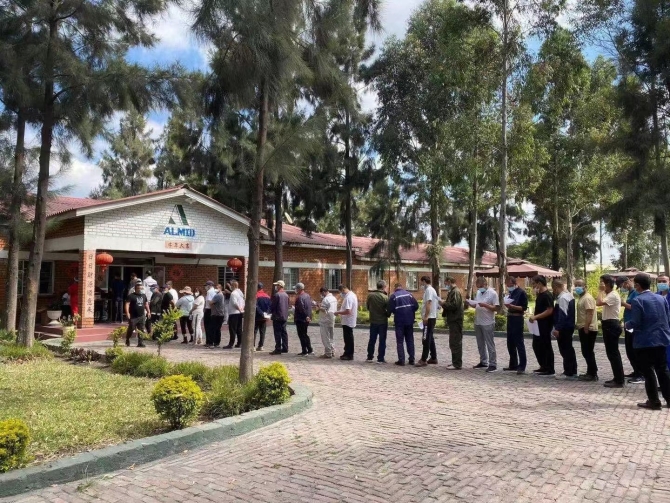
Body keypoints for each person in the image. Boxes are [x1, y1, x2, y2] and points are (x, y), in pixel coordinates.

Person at [624, 273, 670, 409]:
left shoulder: (638, 300)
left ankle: (654, 401)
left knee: (648, 372)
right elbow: (667, 318)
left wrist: (626, 325)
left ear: (638, 285)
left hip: (645, 341)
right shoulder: (661, 298)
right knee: (663, 370)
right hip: (661, 339)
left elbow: (636, 322)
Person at [596, 274, 624, 388]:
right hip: (608, 324)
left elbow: (598, 302)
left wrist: (600, 291)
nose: (600, 284)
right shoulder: (610, 295)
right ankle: (617, 377)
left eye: (601, 282)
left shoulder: (612, 295)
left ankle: (619, 380)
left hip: (611, 325)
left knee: (613, 353)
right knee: (611, 353)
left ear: (607, 283)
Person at [469, 277, 500, 372]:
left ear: (486, 284)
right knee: (480, 343)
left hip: (488, 322)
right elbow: (476, 304)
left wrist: (485, 305)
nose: (479, 288)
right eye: (478, 287)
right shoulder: (478, 292)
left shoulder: (493, 293)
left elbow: (496, 308)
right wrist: (470, 303)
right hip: (478, 321)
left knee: (489, 343)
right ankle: (483, 361)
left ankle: (493, 363)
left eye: (481, 286)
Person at [619, 277, 644, 384]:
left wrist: (623, 303)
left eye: (622, 285)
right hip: (628, 325)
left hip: (633, 326)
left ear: (627, 283)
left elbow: (634, 307)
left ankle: (641, 374)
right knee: (629, 350)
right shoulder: (631, 293)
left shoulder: (635, 293)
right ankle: (636, 370)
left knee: (634, 350)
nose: (622, 287)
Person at [529, 275, 555, 376]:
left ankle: (549, 368)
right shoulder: (540, 294)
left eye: (534, 284)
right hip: (538, 324)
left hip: (545, 324)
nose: (533, 286)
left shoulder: (547, 295)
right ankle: (543, 365)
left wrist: (536, 317)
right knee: (537, 345)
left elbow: (549, 310)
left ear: (539, 283)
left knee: (545, 345)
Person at [552, 279, 578, 380]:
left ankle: (569, 371)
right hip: (569, 326)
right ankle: (572, 370)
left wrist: (557, 328)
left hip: (564, 327)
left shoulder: (562, 298)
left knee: (565, 349)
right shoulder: (569, 295)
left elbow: (562, 314)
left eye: (554, 289)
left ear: (556, 288)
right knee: (569, 349)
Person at [574, 279, 599, 382]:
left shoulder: (587, 298)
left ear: (585, 286)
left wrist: (586, 326)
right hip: (583, 327)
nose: (577, 287)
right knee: (586, 351)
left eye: (579, 285)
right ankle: (590, 371)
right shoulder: (582, 297)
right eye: (576, 285)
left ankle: (593, 373)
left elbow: (590, 313)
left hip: (589, 328)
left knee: (588, 351)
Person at [388, 283, 419, 366]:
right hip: (409, 320)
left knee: (400, 341)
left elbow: (390, 309)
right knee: (410, 340)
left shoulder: (393, 296)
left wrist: (395, 312)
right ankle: (412, 359)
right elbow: (416, 306)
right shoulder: (409, 294)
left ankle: (401, 360)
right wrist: (410, 312)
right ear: (402, 287)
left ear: (395, 288)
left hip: (399, 321)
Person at [503, 276, 528, 374]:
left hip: (517, 318)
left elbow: (524, 307)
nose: (508, 286)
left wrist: (513, 306)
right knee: (510, 342)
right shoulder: (511, 293)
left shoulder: (521, 293)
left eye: (509, 285)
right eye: (507, 285)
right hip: (510, 317)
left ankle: (522, 366)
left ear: (514, 284)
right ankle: (513, 364)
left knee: (519, 342)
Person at [441, 276, 464, 370]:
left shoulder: (455, 292)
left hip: (456, 320)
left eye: (446, 283)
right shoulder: (452, 291)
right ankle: (455, 361)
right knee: (453, 342)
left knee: (455, 342)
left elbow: (454, 305)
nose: (445, 285)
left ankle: (457, 363)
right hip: (453, 320)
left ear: (450, 281)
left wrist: (443, 303)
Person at [416, 276, 440, 367]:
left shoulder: (429, 290)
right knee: (430, 337)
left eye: (421, 282)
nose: (421, 285)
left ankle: (423, 359)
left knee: (426, 338)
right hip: (431, 317)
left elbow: (429, 303)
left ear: (424, 281)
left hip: (429, 318)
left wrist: (426, 316)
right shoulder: (431, 290)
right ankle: (433, 357)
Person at [366, 280, 389, 364]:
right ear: (384, 287)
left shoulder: (370, 295)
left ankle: (370, 357)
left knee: (372, 339)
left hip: (373, 320)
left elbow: (368, 307)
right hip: (382, 321)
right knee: (382, 340)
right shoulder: (385, 297)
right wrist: (387, 314)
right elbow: (388, 310)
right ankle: (380, 358)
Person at [335, 285, 358, 361]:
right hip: (348, 321)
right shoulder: (351, 295)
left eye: (341, 292)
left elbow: (348, 311)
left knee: (348, 339)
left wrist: (338, 312)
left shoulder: (349, 297)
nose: (341, 294)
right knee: (347, 338)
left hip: (348, 321)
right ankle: (346, 352)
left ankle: (349, 354)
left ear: (343, 290)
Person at [124, 279, 149, 347]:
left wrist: (148, 312)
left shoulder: (143, 295)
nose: (139, 290)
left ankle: (140, 343)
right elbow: (127, 304)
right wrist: (127, 313)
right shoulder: (131, 296)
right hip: (133, 316)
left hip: (141, 315)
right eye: (138, 288)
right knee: (131, 328)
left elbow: (146, 304)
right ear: (135, 289)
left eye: (140, 288)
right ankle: (127, 339)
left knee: (141, 329)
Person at [270, 280, 290, 355]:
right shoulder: (286, 295)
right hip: (284, 316)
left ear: (280, 286)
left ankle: (278, 348)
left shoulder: (277, 295)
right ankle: (285, 347)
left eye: (277, 285)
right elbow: (287, 305)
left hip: (277, 316)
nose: (276, 287)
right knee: (284, 332)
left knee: (277, 333)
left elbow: (273, 306)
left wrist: (270, 312)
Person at [294, 282, 314, 356]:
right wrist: (309, 316)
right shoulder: (307, 296)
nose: (296, 290)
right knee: (305, 334)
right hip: (306, 318)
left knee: (302, 335)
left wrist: (305, 316)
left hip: (301, 319)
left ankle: (304, 350)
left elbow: (301, 308)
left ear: (299, 289)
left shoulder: (300, 297)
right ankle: (310, 349)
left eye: (296, 288)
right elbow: (309, 307)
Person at [317, 287, 338, 358]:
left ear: (323, 292)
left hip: (325, 320)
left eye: (321, 293)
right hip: (332, 318)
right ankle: (332, 350)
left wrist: (319, 306)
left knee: (325, 337)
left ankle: (328, 353)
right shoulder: (334, 298)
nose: (321, 295)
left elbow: (324, 309)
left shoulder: (325, 299)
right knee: (331, 336)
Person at [224, 280, 244, 349]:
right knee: (239, 328)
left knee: (232, 329)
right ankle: (239, 343)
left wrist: (239, 308)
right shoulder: (240, 292)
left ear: (234, 286)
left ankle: (231, 344)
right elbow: (242, 301)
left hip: (234, 313)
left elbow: (234, 303)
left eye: (231, 286)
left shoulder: (233, 293)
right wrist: (241, 309)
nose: (230, 287)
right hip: (239, 313)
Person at [255, 283, 271, 351]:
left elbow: (256, 306)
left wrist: (261, 313)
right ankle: (261, 346)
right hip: (264, 316)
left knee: (254, 331)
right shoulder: (267, 296)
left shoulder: (255, 295)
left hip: (257, 316)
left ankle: (253, 345)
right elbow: (270, 306)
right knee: (262, 332)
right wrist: (266, 314)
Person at [204, 280, 216, 346]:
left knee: (207, 326)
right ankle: (212, 341)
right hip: (213, 310)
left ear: (210, 285)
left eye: (206, 285)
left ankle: (209, 342)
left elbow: (209, 302)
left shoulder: (209, 292)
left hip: (208, 310)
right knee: (212, 326)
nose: (205, 287)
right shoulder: (215, 291)